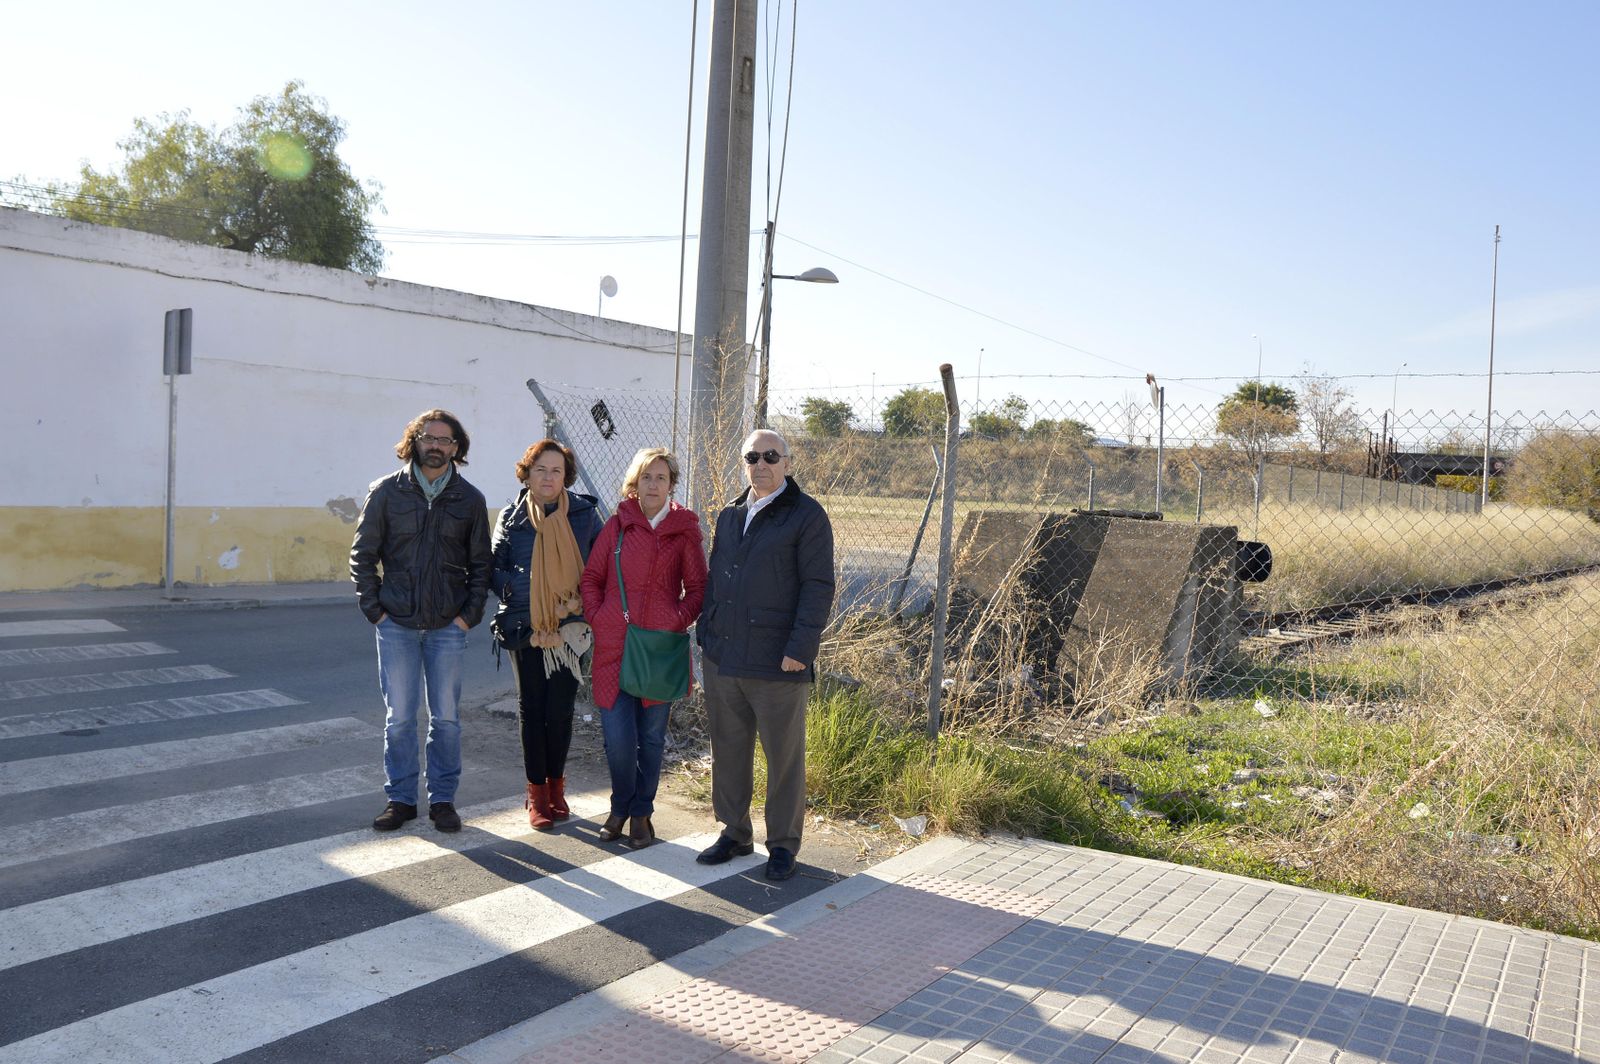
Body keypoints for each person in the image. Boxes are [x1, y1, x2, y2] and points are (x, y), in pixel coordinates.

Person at [695, 429, 835, 880]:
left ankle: (782, 845)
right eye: (752, 457)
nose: (761, 464)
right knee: (729, 750)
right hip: (725, 658)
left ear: (788, 463)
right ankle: (734, 832)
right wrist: (707, 637)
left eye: (771, 456)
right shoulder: (731, 515)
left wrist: (801, 647)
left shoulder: (807, 516)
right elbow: (718, 579)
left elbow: (818, 587)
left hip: (778, 661)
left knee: (783, 757)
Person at [351, 408, 492, 834]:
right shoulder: (386, 492)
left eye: (445, 440)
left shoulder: (470, 499)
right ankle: (401, 800)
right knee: (400, 718)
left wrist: (467, 617)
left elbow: (481, 564)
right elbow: (362, 555)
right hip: (396, 624)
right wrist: (375, 609)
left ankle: (443, 800)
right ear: (414, 441)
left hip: (448, 627)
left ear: (457, 448)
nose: (436, 446)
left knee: (446, 718)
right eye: (429, 438)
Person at [580, 448, 706, 850]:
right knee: (618, 740)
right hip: (614, 648)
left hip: (658, 651)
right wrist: (602, 618)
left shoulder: (684, 530)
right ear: (635, 482)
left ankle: (640, 814)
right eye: (647, 477)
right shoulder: (616, 526)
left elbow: (699, 590)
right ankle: (620, 805)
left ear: (672, 484)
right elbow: (591, 580)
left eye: (662, 477)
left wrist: (673, 620)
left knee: (651, 740)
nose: (653, 484)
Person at [490, 439, 603, 830]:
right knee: (532, 709)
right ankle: (536, 794)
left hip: (571, 629)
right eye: (540, 469)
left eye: (556, 470)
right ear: (527, 474)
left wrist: (574, 608)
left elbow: (600, 567)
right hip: (526, 627)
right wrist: (524, 592)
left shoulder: (586, 514)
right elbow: (496, 567)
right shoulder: (511, 516)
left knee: (560, 711)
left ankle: (557, 789)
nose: (548, 477)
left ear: (566, 476)